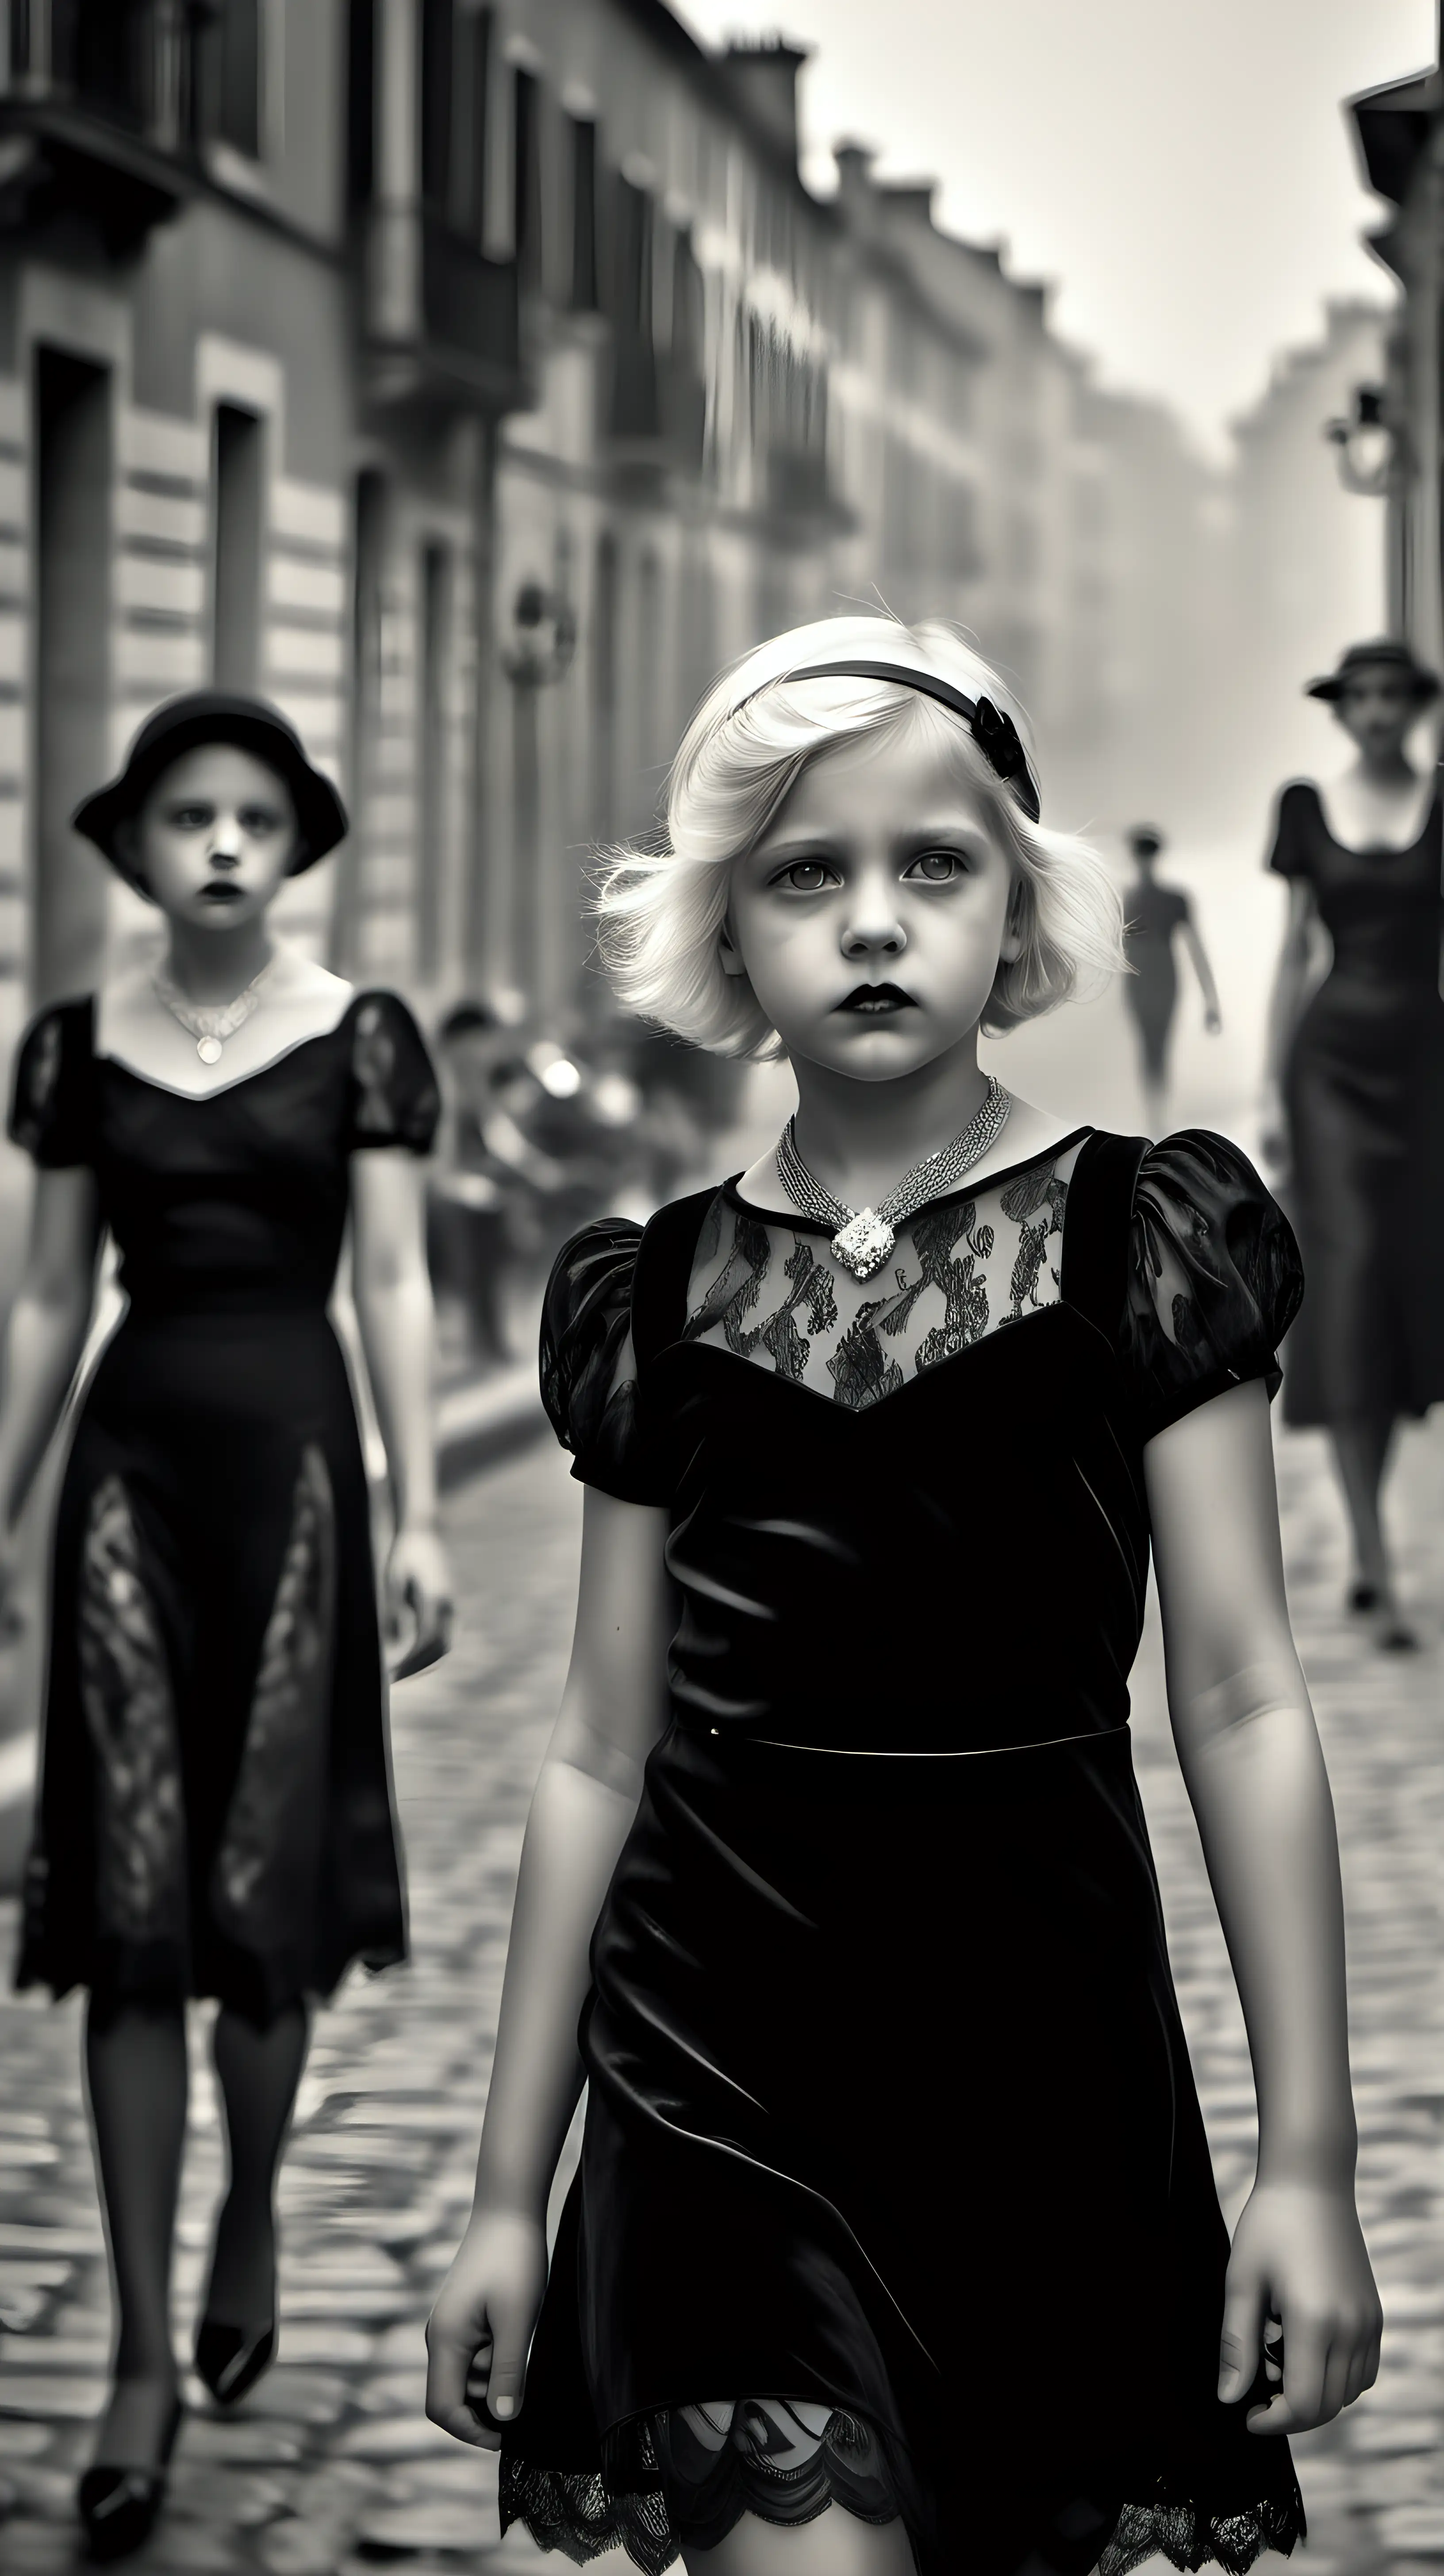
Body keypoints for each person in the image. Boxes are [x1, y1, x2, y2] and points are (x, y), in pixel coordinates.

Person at [425, 617, 1380, 2576]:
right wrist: (506, 2194)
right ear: (727, 929)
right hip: (713, 2059)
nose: (873, 921)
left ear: (1014, 907)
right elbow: (600, 1747)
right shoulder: (654, 1291)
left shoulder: (1150, 1239)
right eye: (808, 872)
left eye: (930, 866)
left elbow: (1241, 1701)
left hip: (1044, 2063)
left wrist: (1310, 2159)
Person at [0, 692, 452, 2560]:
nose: (220, 843)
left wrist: (429, 1510)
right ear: (138, 843)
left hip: (296, 1475)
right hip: (126, 1472)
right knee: (127, 1914)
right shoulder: (76, 1049)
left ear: (292, 842)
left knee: (259, 1897)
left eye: (253, 815)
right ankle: (130, 2360)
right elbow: (44, 1299)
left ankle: (252, 2205)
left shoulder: (360, 1042)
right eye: (187, 813)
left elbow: (405, 1281)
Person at [1260, 636, 1444, 1651]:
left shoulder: (1443, 800)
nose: (1376, 712)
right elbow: (1294, 951)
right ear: (1340, 710)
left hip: (1424, 1066)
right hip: (1327, 1068)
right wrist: (1268, 1087)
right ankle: (1372, 1551)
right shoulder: (1303, 807)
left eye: (1392, 696)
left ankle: (1375, 1533)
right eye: (1360, 696)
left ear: (1415, 706)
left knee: (1406, 1285)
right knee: (1354, 1275)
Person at [1120, 824, 1222, 1131]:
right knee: (1147, 1046)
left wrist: (1211, 999)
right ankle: (1153, 1122)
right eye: (1141, 852)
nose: (1145, 859)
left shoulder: (1174, 899)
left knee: (1160, 1047)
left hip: (1163, 976)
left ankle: (1160, 1125)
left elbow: (1196, 948)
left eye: (1149, 852)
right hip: (1138, 978)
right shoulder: (1125, 899)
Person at [430, 1002, 515, 1367]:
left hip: (464, 1188)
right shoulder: (436, 1084)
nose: (489, 1053)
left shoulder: (474, 1084)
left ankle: (487, 1336)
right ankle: (475, 1337)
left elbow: (502, 1138)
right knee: (474, 1223)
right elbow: (437, 1167)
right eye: (483, 1043)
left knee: (494, 1216)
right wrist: (468, 1188)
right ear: (461, 1043)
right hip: (435, 1193)